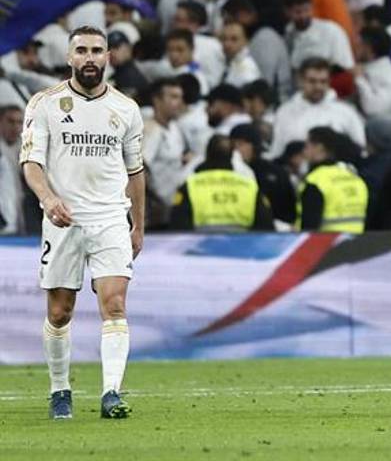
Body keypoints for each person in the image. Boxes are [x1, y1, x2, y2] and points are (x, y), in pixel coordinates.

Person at [20, 26, 145, 420]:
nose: (89, 58)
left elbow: (136, 171)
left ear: (108, 56)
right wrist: (48, 198)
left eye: (97, 51)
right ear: (69, 57)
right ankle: (60, 390)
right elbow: (31, 163)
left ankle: (111, 393)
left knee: (115, 304)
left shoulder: (126, 109)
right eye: (82, 51)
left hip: (110, 217)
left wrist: (138, 225)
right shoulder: (44, 104)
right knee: (60, 311)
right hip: (62, 220)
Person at [169, 135, 273, 232]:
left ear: (207, 154)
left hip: (201, 248)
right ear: (232, 155)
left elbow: (178, 227)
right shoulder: (249, 187)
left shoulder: (190, 186)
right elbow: (266, 227)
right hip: (242, 248)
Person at [297, 127, 369, 233]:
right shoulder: (354, 178)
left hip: (325, 245)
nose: (304, 150)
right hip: (356, 244)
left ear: (319, 147)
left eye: (307, 145)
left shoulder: (316, 181)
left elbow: (309, 228)